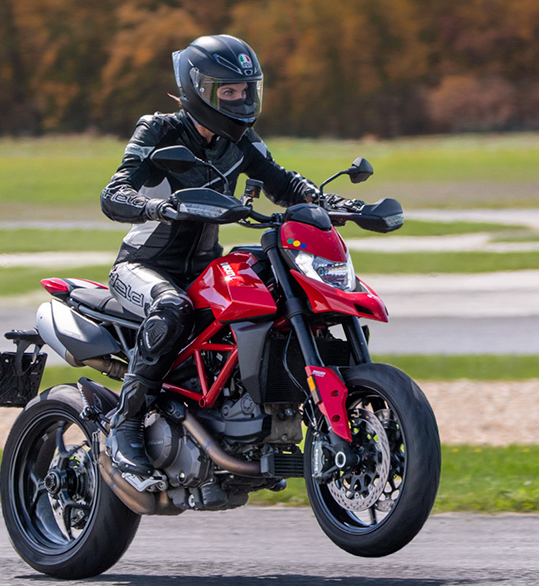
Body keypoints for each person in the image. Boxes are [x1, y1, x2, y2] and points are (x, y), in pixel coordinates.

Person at [100, 34, 356, 477]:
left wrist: (326, 201)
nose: (240, 101)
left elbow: (280, 181)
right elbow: (112, 194)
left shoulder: (239, 140)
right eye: (229, 92)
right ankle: (124, 422)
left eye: (245, 91)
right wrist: (157, 205)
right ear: (199, 89)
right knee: (172, 308)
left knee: (270, 288)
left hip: (202, 268)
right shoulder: (159, 130)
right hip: (141, 268)